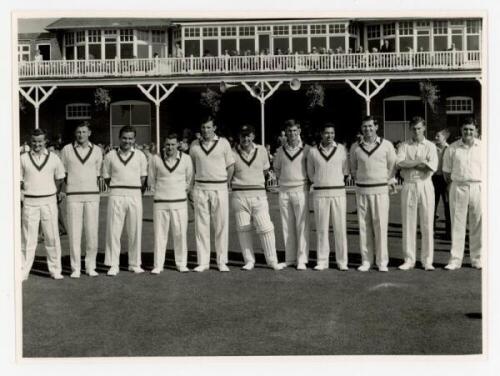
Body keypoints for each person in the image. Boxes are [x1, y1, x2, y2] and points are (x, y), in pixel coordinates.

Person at [230, 125, 286, 271]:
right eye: (243, 136)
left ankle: (272, 261)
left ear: (253, 136)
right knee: (243, 229)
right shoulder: (232, 152)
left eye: (248, 135)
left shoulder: (261, 150)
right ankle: (249, 261)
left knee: (266, 227)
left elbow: (266, 170)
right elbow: (230, 172)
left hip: (258, 195)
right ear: (239, 137)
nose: (246, 139)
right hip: (239, 195)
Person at [350, 116, 397, 272]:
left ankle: (382, 261)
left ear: (376, 127)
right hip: (362, 190)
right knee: (364, 226)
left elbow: (392, 166)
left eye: (370, 126)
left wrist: (384, 180)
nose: (367, 130)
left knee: (381, 226)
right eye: (365, 127)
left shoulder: (387, 145)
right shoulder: (355, 147)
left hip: (380, 190)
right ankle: (366, 260)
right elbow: (353, 169)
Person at [189, 116, 235, 272]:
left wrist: (226, 184)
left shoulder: (224, 143)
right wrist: (190, 188)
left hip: (219, 188)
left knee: (221, 225)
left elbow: (230, 167)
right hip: (200, 188)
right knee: (201, 226)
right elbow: (192, 169)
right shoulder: (194, 145)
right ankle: (203, 262)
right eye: (203, 127)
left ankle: (222, 261)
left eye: (209, 127)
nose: (206, 130)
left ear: (214, 128)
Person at [20, 128, 66, 280]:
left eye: (40, 141)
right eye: (34, 141)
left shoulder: (54, 158)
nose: (37, 144)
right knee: (28, 239)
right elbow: (18, 180)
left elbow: (60, 178)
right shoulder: (23, 158)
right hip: (30, 201)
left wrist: (57, 192)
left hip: (49, 201)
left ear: (45, 141)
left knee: (52, 237)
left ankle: (55, 270)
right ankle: (23, 271)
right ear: (30, 141)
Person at [102, 125, 148, 276]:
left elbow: (143, 178)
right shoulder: (110, 156)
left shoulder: (141, 155)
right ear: (119, 138)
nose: (127, 141)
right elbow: (107, 177)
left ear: (134, 139)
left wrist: (132, 189)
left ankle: (134, 263)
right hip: (116, 194)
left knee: (135, 230)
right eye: (124, 138)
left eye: (130, 138)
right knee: (114, 231)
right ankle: (113, 264)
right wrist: (118, 188)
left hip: (134, 194)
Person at [60, 122, 103, 278]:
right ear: (75, 133)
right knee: (74, 233)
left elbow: (98, 174)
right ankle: (75, 268)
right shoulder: (66, 150)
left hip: (92, 195)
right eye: (78, 132)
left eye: (84, 132)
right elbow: (63, 172)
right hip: (73, 195)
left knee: (92, 232)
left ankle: (90, 266)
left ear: (89, 133)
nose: (81, 135)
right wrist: (66, 190)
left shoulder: (98, 151)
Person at [396, 117, 438, 271]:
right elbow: (400, 163)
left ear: (424, 128)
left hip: (425, 185)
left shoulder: (431, 146)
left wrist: (410, 163)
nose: (417, 131)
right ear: (410, 129)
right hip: (408, 185)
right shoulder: (404, 145)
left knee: (427, 223)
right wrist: (419, 161)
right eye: (414, 128)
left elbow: (430, 167)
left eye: (419, 128)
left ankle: (427, 261)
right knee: (408, 223)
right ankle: (409, 259)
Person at [148, 133, 193, 274]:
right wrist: (160, 193)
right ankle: (158, 265)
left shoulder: (186, 159)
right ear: (163, 144)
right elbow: (151, 180)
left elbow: (189, 180)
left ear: (178, 144)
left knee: (180, 234)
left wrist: (180, 193)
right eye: (167, 144)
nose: (170, 147)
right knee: (160, 235)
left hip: (179, 203)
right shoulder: (155, 159)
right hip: (161, 203)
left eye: (173, 144)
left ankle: (181, 264)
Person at [307, 123, 349, 271]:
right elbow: (311, 174)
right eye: (326, 133)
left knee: (340, 228)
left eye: (332, 133)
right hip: (320, 193)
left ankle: (342, 261)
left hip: (338, 192)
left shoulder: (342, 149)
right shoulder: (312, 152)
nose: (329, 136)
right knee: (321, 228)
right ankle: (322, 261)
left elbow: (345, 171)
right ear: (321, 134)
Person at [442, 118, 482, 270]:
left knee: (477, 223)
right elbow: (446, 172)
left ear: (476, 130)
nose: (468, 132)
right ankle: (455, 259)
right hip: (458, 187)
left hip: (478, 186)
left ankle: (477, 258)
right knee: (457, 224)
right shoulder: (452, 148)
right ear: (461, 130)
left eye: (471, 129)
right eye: (465, 129)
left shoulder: (483, 147)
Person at [273, 119, 310, 270]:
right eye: (289, 131)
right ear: (285, 133)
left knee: (301, 225)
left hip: (301, 189)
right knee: (287, 225)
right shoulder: (281, 151)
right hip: (284, 191)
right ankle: (289, 258)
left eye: (295, 131)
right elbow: (277, 169)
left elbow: (310, 169)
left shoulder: (307, 149)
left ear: (299, 131)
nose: (292, 134)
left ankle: (302, 259)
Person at [433, 129, 451, 240]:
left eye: (438, 136)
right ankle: (431, 230)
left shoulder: (449, 149)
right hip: (434, 179)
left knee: (448, 206)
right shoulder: (432, 148)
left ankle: (448, 232)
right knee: (432, 206)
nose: (435, 138)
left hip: (445, 180)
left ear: (444, 138)